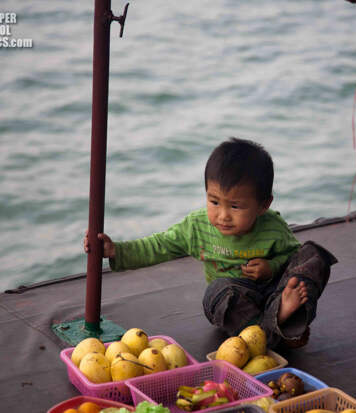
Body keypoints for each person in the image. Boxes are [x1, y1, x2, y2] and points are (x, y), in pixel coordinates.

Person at [84, 137, 337, 348]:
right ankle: (279, 329)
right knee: (216, 293)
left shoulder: (272, 227)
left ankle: (281, 322)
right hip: (237, 304)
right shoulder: (197, 227)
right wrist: (116, 250)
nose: (223, 215)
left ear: (263, 205)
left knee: (314, 255)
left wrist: (271, 267)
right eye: (214, 202)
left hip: (274, 294)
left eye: (236, 206)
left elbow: (293, 258)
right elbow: (159, 245)